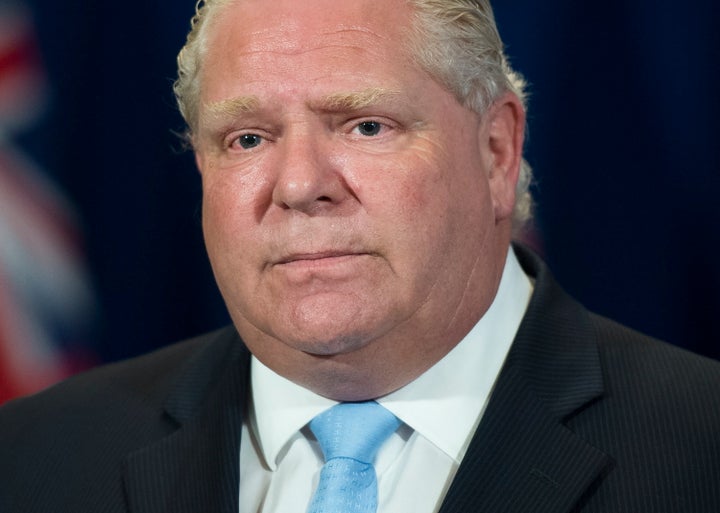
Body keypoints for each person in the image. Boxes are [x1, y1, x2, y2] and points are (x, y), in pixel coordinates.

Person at [1, 0, 719, 511]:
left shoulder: (699, 451)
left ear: (497, 150)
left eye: (365, 125)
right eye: (247, 138)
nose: (300, 184)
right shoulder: (37, 460)